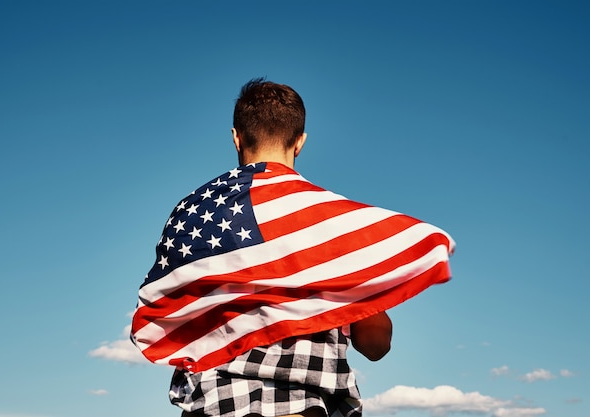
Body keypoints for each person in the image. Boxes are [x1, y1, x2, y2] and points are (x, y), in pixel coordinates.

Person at [132, 78, 454, 417]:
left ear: (236, 137)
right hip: (302, 407)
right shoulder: (330, 226)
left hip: (213, 405)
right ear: (299, 142)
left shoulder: (195, 215)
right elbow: (375, 345)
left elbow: (166, 308)